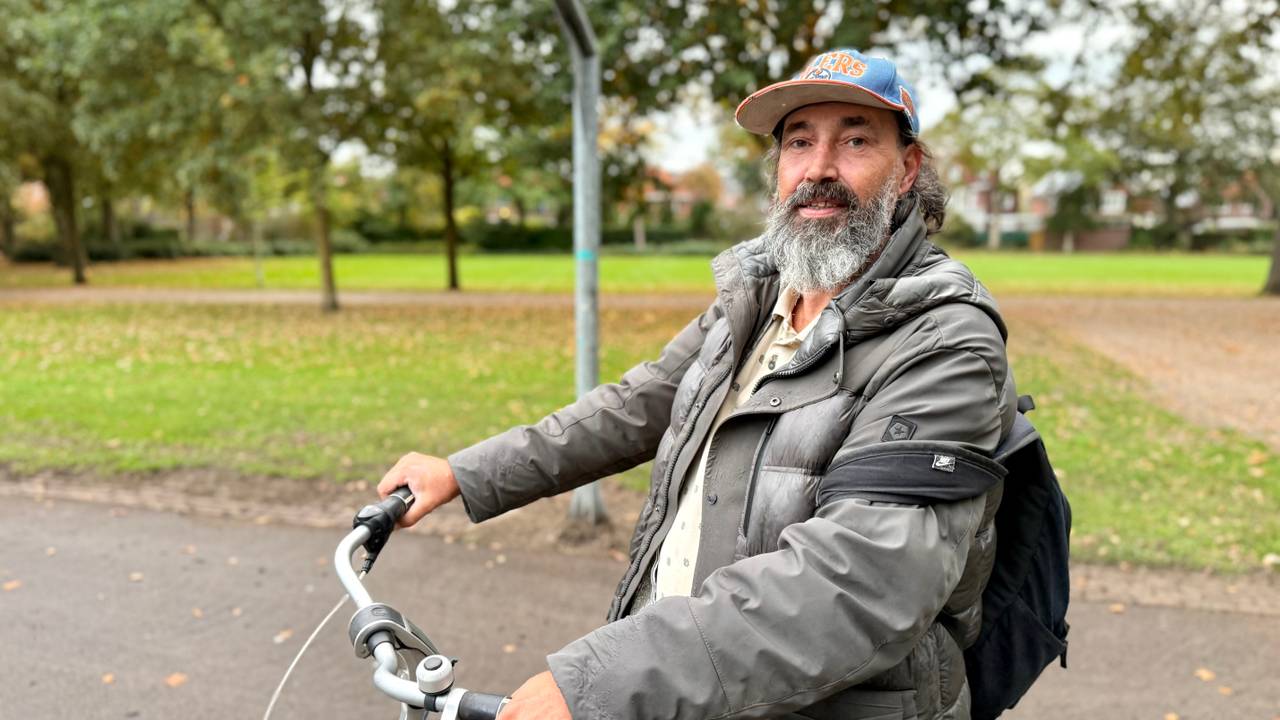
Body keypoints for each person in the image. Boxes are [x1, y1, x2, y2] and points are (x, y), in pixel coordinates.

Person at [379, 48, 1017, 720]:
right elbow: (643, 402)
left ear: (908, 168)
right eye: (799, 142)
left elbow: (861, 584)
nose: (819, 168)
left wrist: (600, 681)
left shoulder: (944, 342)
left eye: (855, 139)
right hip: (692, 690)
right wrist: (465, 473)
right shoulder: (761, 297)